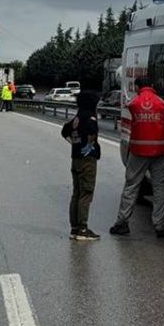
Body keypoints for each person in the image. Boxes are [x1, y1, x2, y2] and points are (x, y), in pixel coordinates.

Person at [111, 77, 164, 238]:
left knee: (131, 186)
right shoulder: (163, 103)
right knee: (159, 187)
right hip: (160, 151)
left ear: (138, 86)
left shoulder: (134, 103)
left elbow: (131, 115)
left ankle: (122, 223)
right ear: (152, 85)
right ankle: (160, 226)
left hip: (138, 151)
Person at [62, 90, 101, 241]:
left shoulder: (77, 117)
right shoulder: (90, 117)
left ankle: (74, 227)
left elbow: (65, 131)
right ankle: (83, 228)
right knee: (86, 193)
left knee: (77, 192)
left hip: (76, 157)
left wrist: (75, 144)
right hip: (87, 159)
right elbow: (92, 133)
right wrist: (89, 146)